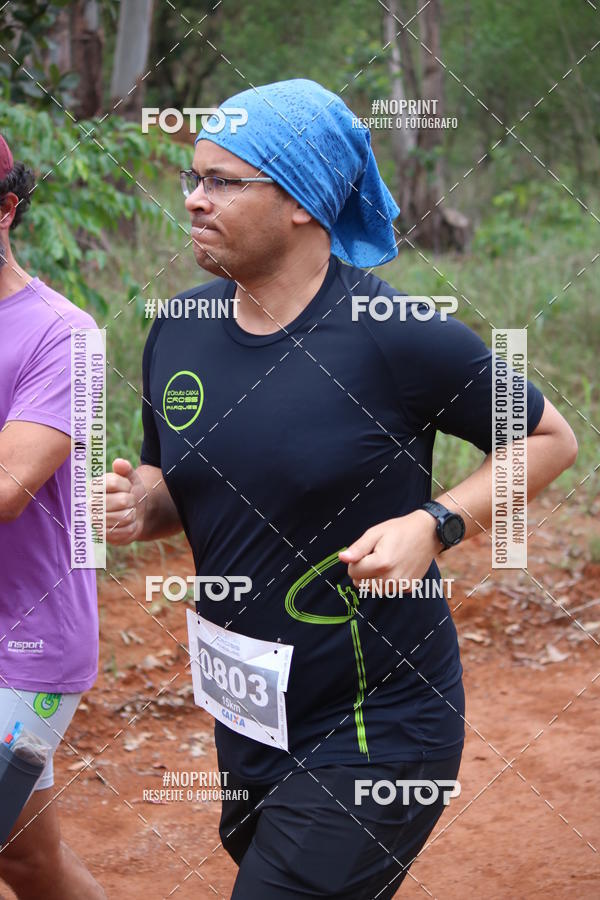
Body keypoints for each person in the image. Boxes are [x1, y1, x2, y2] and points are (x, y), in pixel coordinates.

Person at [106, 79, 578, 898]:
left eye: (223, 181)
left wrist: (437, 521)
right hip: (251, 715)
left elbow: (548, 438)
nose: (192, 199)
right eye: (193, 177)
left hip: (380, 719)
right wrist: (135, 504)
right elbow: (174, 490)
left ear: (302, 201)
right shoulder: (178, 327)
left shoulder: (394, 335)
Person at [0, 135, 105, 899]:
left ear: (7, 209)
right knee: (24, 859)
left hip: (24, 649)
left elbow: (8, 484)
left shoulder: (65, 335)